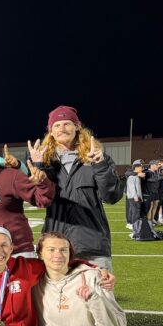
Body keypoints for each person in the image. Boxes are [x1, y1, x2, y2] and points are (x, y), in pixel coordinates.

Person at [32, 105, 123, 270]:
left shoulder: (96, 157)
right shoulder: (45, 162)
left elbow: (112, 197)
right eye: (57, 125)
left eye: (67, 123)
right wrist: (38, 168)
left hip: (91, 246)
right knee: (56, 296)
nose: (62, 128)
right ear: (51, 131)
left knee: (96, 295)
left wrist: (100, 166)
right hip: (55, 248)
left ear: (77, 126)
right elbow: (39, 201)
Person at [126, 160, 144, 226]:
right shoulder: (131, 177)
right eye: (140, 167)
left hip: (137, 197)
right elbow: (132, 188)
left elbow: (138, 189)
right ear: (136, 168)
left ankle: (136, 224)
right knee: (135, 211)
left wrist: (140, 197)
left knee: (137, 211)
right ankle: (134, 225)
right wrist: (135, 197)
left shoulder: (136, 176)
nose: (142, 169)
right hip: (133, 197)